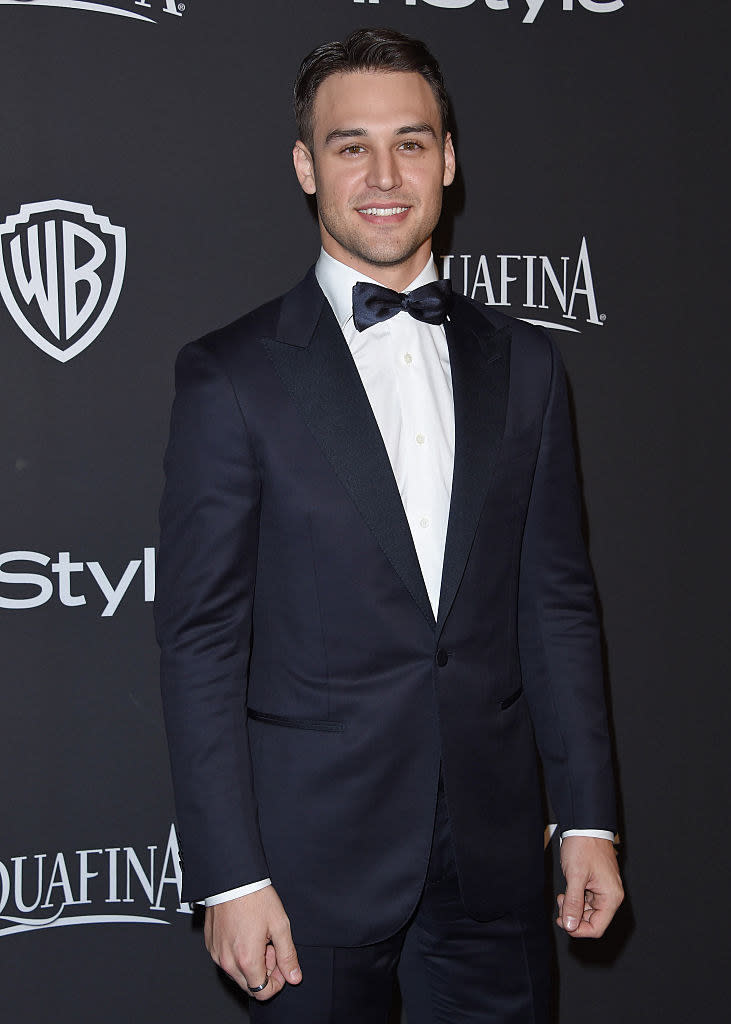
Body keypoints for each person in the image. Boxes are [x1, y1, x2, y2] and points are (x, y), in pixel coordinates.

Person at [155, 27, 624, 1023]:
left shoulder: (526, 365)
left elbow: (554, 606)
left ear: (447, 160)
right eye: (348, 144)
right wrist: (228, 876)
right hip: (306, 866)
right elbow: (199, 640)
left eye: (409, 142)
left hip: (495, 859)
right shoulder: (231, 374)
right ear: (303, 165)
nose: (382, 173)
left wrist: (585, 817)